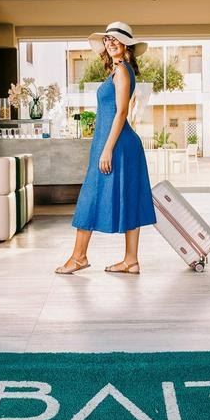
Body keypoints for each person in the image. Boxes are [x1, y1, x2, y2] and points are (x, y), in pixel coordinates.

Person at [55, 22, 157, 275]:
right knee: (128, 198)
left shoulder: (121, 71)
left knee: (89, 197)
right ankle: (131, 260)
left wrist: (108, 148)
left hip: (117, 145)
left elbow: (122, 112)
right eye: (107, 39)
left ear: (127, 46)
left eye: (116, 39)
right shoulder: (118, 71)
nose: (110, 43)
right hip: (117, 143)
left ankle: (79, 257)